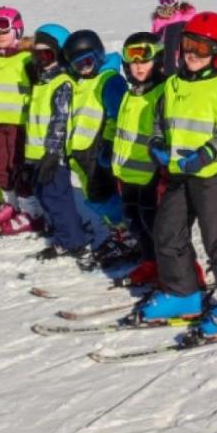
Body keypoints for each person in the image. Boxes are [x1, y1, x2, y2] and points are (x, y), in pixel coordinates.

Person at [138, 12, 217, 337]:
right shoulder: (173, 84)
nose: (192, 53)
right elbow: (157, 124)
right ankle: (184, 294)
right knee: (167, 232)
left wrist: (206, 153)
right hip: (178, 174)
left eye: (202, 49)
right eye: (189, 44)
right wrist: (155, 145)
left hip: (210, 176)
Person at [62, 28, 135, 268]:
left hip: (99, 152)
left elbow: (119, 115)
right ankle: (118, 234)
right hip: (82, 155)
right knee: (93, 198)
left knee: (105, 198)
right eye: (77, 64)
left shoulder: (109, 80)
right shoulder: (80, 83)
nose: (84, 68)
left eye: (88, 61)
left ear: (99, 55)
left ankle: (129, 237)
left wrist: (109, 144)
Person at [25, 24, 92, 260]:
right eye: (37, 54)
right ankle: (64, 230)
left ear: (59, 55)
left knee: (57, 197)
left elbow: (59, 121)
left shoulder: (61, 82)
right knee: (45, 196)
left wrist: (52, 154)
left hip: (51, 156)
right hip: (35, 153)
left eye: (47, 54)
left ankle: (73, 241)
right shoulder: (42, 81)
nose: (41, 60)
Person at [109, 31, 170, 285]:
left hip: (152, 176)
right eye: (132, 61)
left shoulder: (163, 92)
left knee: (159, 229)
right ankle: (150, 263)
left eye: (144, 60)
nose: (138, 66)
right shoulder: (130, 93)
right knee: (135, 224)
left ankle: (181, 272)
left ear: (157, 60)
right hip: (127, 174)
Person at [0, 6, 36, 231]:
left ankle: (32, 212)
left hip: (19, 125)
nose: (0, 37)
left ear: (17, 30)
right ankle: (11, 205)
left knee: (19, 167)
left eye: (5, 31)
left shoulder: (26, 60)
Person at [151, 0, 196, 77]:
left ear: (178, 0)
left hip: (182, 59)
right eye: (162, 1)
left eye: (169, 1)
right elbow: (155, 41)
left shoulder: (186, 16)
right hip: (164, 59)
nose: (166, 5)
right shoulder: (158, 20)